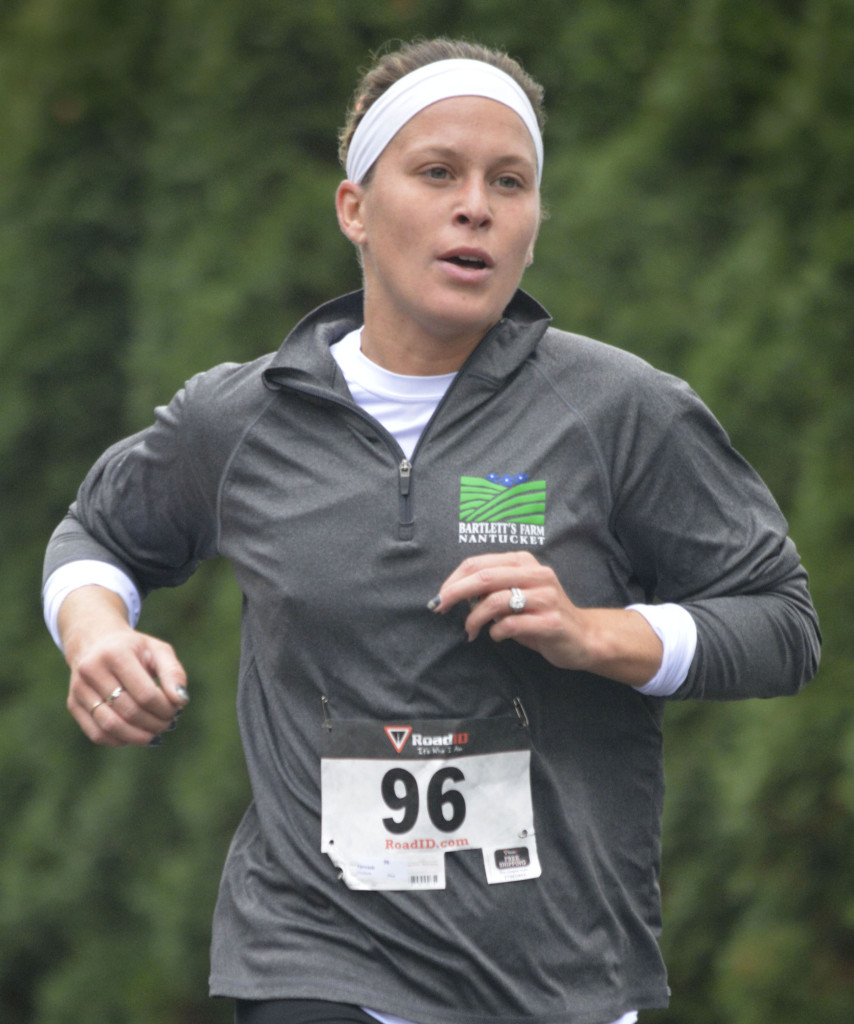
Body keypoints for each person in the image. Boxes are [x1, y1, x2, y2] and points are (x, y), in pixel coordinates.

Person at [43, 37, 820, 1024]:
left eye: (509, 181)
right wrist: (97, 633)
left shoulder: (622, 413)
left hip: (560, 972)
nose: (475, 206)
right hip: (313, 952)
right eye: (437, 172)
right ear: (354, 210)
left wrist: (599, 635)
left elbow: (782, 625)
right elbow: (96, 537)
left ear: (532, 228)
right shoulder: (240, 418)